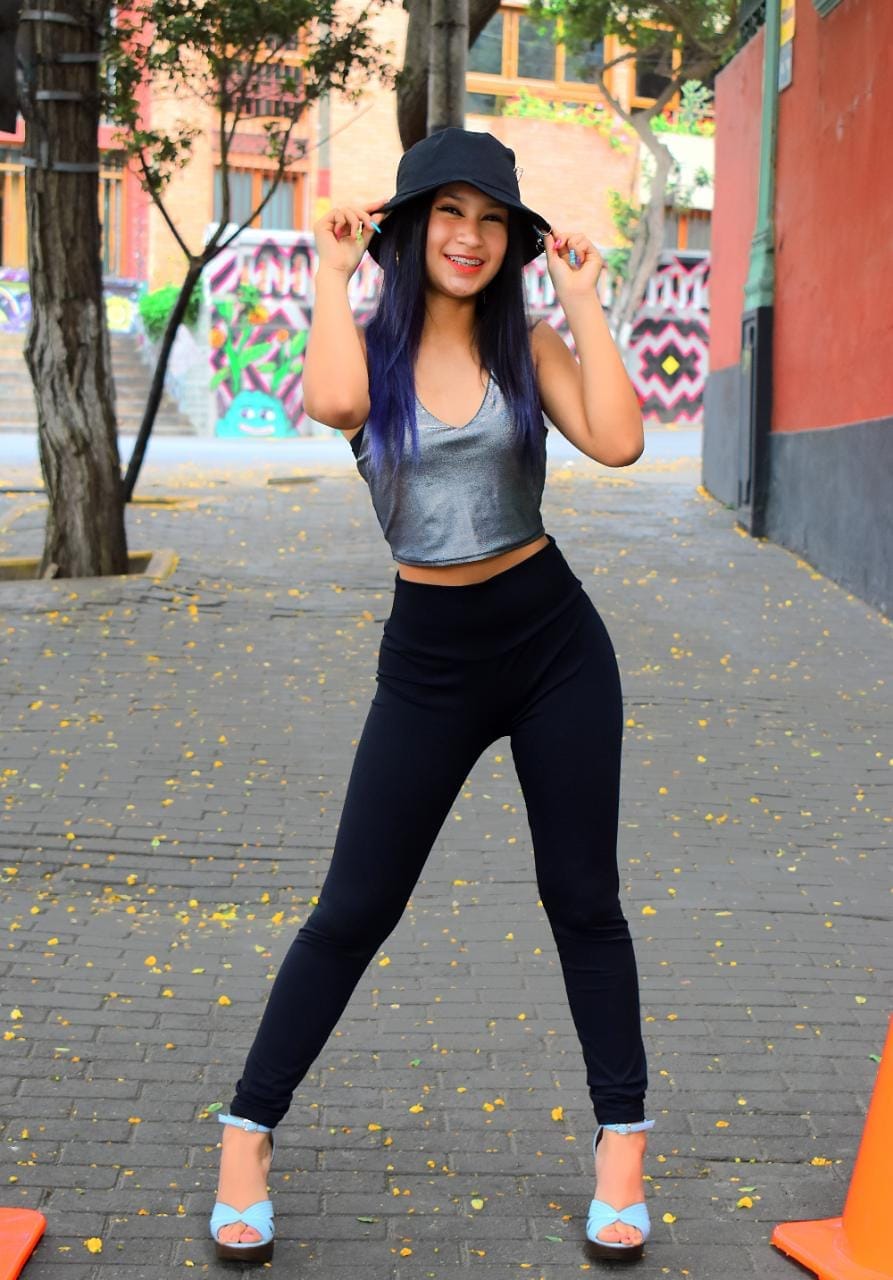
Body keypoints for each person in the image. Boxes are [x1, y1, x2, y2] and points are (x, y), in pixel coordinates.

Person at [209, 128, 655, 1266]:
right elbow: (330, 402)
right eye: (448, 212)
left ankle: (622, 1148)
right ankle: (246, 1134)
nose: (470, 236)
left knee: (582, 899)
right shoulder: (367, 350)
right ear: (409, 229)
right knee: (354, 906)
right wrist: (329, 268)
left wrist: (579, 300)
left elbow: (617, 441)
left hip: (554, 645)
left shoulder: (527, 343)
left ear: (512, 241)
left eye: (492, 218)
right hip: (430, 662)